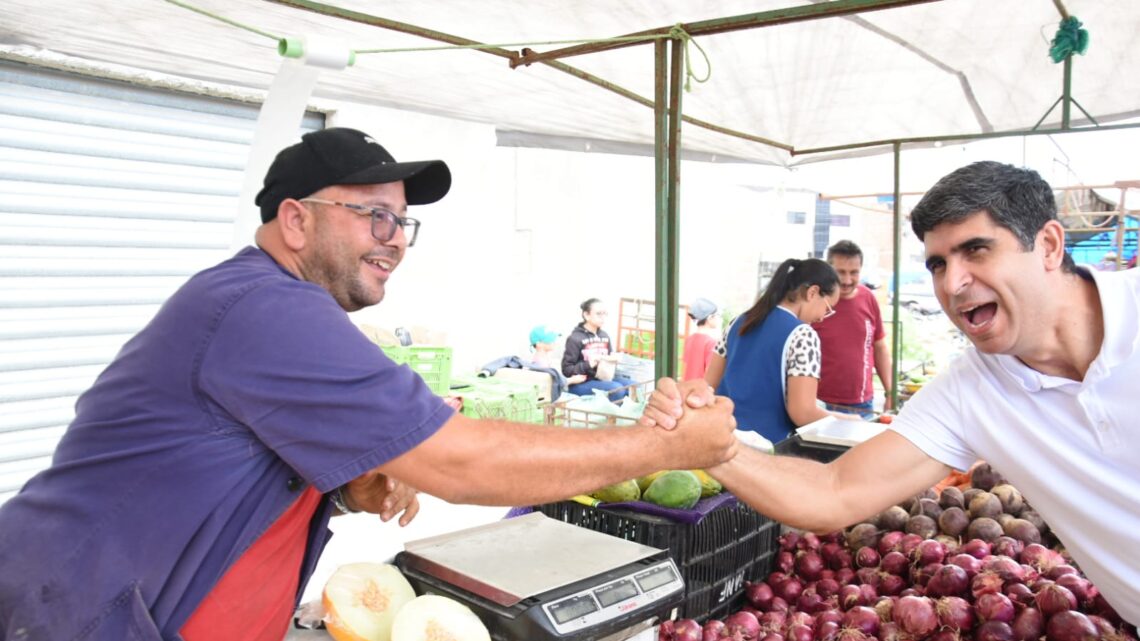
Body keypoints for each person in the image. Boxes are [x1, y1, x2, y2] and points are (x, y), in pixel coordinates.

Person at [0, 128, 739, 641]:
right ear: (295, 220)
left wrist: (349, 487)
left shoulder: (279, 310)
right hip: (74, 612)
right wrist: (654, 447)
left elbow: (227, 459)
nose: (393, 238)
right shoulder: (261, 307)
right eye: (373, 214)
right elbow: (462, 461)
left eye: (403, 223)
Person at [643, 161, 1140, 625]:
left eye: (976, 250)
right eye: (938, 264)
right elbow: (834, 491)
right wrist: (716, 448)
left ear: (1049, 245)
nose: (954, 282)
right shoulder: (973, 390)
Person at [703, 258, 853, 446]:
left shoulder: (737, 322)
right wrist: (848, 422)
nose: (823, 317)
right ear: (812, 293)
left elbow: (708, 386)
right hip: (767, 449)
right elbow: (803, 413)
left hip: (723, 440)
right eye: (827, 308)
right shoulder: (803, 335)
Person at [813, 240, 893, 418]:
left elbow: (880, 346)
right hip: (819, 404)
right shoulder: (814, 302)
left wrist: (889, 391)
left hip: (863, 404)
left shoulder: (868, 298)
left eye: (854, 272)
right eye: (840, 272)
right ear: (829, 269)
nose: (847, 280)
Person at [562, 298, 635, 400]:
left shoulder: (604, 336)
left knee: (634, 387)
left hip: (602, 378)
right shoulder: (575, 338)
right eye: (599, 314)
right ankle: (612, 415)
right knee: (616, 389)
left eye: (605, 314)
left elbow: (608, 360)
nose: (603, 317)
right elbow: (567, 370)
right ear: (586, 315)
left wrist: (613, 358)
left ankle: (627, 415)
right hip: (582, 382)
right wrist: (589, 364)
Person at [681, 297, 720, 382]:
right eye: (717, 315)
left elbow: (685, 366)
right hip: (699, 391)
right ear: (710, 318)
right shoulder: (711, 342)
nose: (718, 318)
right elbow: (710, 374)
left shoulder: (689, 339)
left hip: (686, 388)